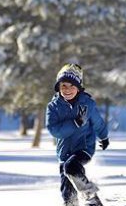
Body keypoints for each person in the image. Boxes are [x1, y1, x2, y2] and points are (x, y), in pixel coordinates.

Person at [46, 63, 110, 206]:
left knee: (71, 167)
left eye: (72, 86)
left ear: (79, 87)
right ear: (58, 87)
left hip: (84, 148)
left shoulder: (87, 104)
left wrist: (104, 136)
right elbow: (54, 130)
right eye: (64, 86)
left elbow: (98, 122)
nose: (67, 89)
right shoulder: (53, 107)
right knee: (67, 192)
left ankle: (91, 198)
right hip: (63, 152)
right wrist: (75, 123)